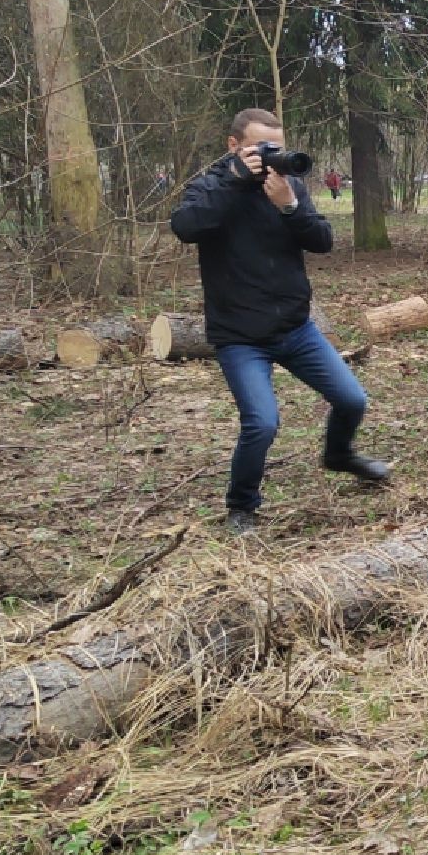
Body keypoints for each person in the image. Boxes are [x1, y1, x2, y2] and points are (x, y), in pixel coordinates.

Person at [170, 109, 389, 536]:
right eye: (260, 148)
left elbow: (322, 241)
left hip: (295, 328)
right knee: (262, 423)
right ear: (234, 146)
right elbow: (186, 226)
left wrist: (290, 207)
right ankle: (241, 506)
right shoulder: (211, 185)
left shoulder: (288, 186)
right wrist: (236, 181)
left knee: (352, 400)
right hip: (239, 337)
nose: (271, 157)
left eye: (277, 148)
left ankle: (339, 456)